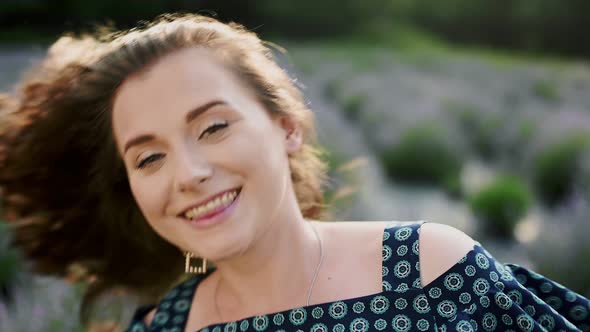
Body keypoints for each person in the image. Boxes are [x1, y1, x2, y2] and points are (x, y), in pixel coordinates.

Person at [0, 13, 588, 332]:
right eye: (148, 157)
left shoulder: (429, 271)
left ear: (286, 127)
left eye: (212, 127)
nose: (188, 173)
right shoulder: (161, 328)